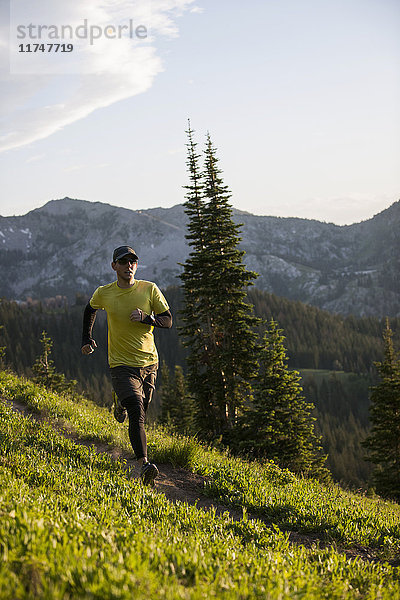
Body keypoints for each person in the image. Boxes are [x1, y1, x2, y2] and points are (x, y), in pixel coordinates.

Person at [81, 245, 172, 486]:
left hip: (149, 362)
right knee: (136, 410)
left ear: (136, 265)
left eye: (132, 261)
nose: (128, 265)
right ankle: (144, 463)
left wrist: (147, 318)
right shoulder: (105, 293)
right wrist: (87, 338)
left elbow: (168, 320)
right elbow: (90, 309)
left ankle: (119, 402)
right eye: (123, 262)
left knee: (141, 406)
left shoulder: (149, 289)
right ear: (114, 266)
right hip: (120, 363)